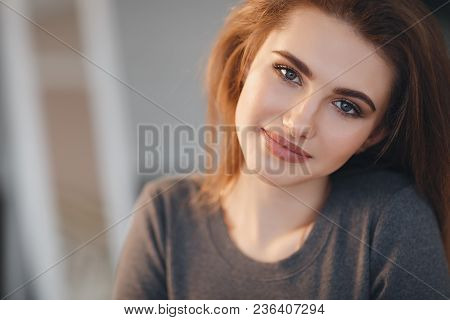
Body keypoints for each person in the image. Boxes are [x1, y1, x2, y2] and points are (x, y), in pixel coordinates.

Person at [113, 0, 450, 299]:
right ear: (246, 61)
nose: (299, 123)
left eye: (346, 106)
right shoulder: (164, 216)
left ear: (374, 134)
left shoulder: (391, 222)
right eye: (288, 73)